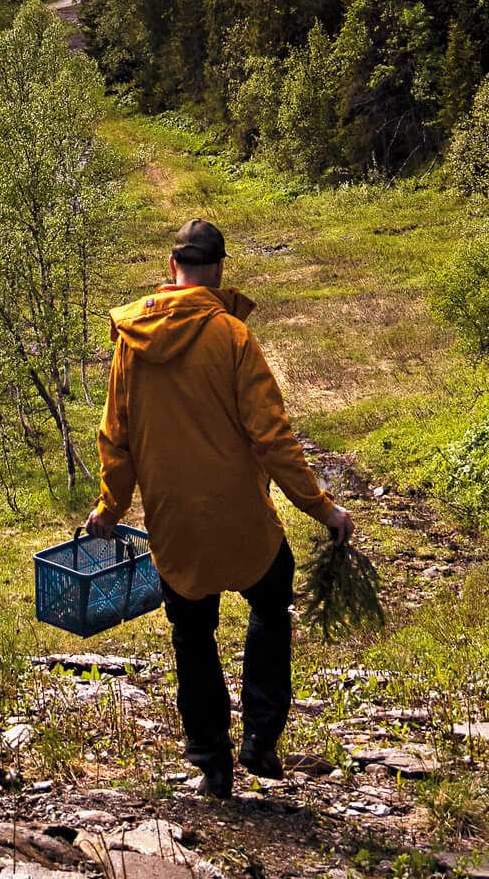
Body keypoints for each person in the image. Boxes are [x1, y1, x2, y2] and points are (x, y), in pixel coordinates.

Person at [84, 217, 353, 799]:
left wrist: (110, 508)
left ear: (171, 268)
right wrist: (322, 508)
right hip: (240, 518)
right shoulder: (231, 335)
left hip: (173, 523)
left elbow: (117, 437)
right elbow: (271, 439)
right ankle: (260, 738)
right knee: (271, 596)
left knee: (191, 631)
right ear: (219, 270)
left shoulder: (131, 341)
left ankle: (212, 761)